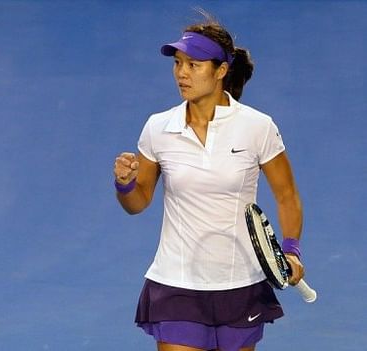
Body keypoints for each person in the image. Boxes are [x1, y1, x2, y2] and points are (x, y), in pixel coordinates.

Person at [113, 14, 305, 351]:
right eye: (177, 63)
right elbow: (138, 202)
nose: (181, 73)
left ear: (220, 71)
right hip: (176, 284)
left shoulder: (257, 127)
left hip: (240, 283)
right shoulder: (158, 128)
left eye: (194, 64)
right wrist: (126, 185)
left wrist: (291, 251)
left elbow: (287, 195)